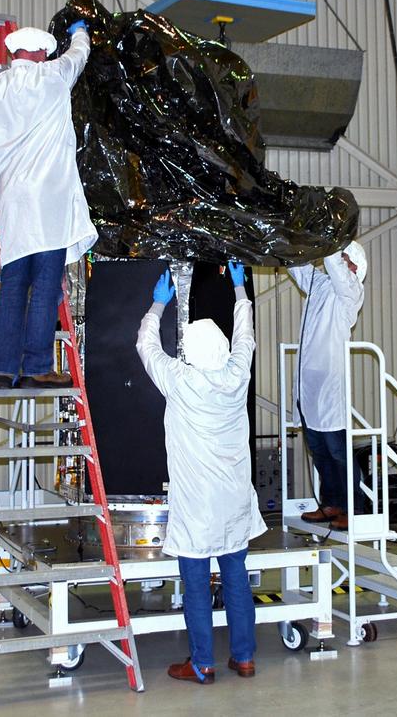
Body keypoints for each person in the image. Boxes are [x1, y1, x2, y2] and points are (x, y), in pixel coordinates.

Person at [135, 261, 265, 684]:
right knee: (236, 580)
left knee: (195, 585)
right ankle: (244, 658)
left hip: (196, 505)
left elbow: (145, 345)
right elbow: (246, 334)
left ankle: (202, 663)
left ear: (189, 351)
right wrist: (241, 291)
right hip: (233, 501)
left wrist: (157, 305)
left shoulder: (179, 380)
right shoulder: (237, 374)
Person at [0, 20, 95, 389]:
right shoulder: (51, 76)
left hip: (13, 205)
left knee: (12, 287)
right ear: (39, 53)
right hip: (49, 204)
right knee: (44, 287)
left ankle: (3, 370)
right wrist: (81, 32)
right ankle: (37, 365)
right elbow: (78, 56)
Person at [288, 242, 366, 531]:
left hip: (330, 385)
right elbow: (297, 266)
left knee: (338, 451)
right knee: (319, 449)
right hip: (309, 385)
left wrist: (330, 240)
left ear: (355, 268)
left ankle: (354, 508)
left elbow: (335, 267)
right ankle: (331, 503)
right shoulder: (320, 286)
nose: (340, 262)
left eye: (347, 259)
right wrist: (287, 239)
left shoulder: (351, 292)